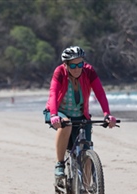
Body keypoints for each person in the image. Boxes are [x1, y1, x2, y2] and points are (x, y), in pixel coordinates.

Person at [44, 46, 117, 178]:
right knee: (67, 124)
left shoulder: (88, 71)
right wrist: (54, 115)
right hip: (58, 112)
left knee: (86, 151)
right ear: (65, 65)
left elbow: (100, 93)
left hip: (80, 115)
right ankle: (59, 163)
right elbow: (53, 93)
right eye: (73, 66)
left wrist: (107, 114)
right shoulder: (59, 72)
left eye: (80, 64)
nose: (77, 69)